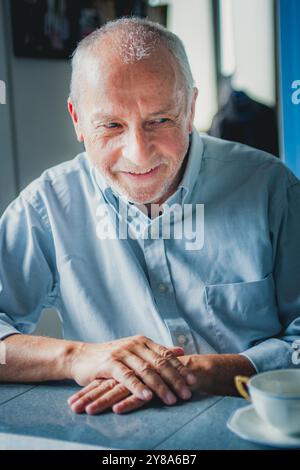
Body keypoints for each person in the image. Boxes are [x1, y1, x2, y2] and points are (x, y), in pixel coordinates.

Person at [0, 17, 299, 416]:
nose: (139, 154)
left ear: (191, 108)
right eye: (111, 125)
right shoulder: (47, 206)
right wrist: (76, 357)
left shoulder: (271, 187)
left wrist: (216, 371)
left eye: (160, 120)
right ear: (77, 120)